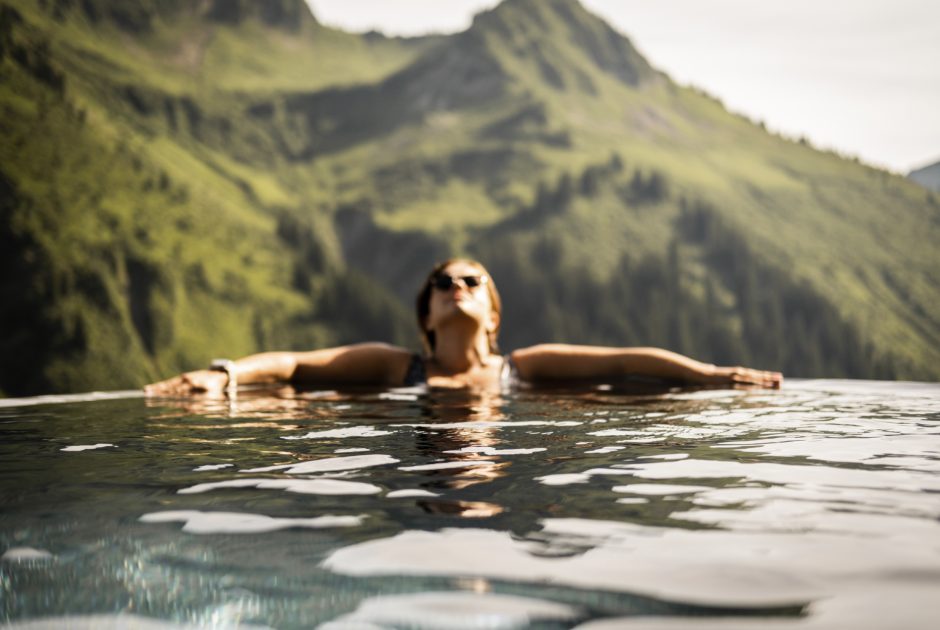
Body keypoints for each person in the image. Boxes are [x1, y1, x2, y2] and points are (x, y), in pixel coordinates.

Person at [144, 258, 782, 396]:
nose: (457, 287)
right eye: (443, 282)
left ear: (494, 313)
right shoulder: (399, 367)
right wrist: (225, 376)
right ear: (426, 314)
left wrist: (714, 376)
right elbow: (295, 365)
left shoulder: (522, 368)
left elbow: (625, 360)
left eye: (473, 280)